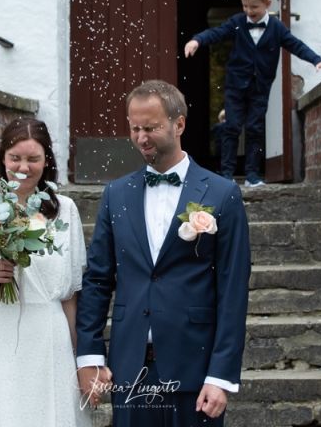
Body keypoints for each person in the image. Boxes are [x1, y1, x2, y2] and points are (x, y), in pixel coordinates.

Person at [76, 80, 251, 426]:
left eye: (151, 128)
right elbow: (97, 280)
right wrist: (90, 356)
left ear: (179, 124)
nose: (141, 138)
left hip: (195, 367)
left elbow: (233, 291)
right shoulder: (115, 194)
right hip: (130, 367)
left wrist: (221, 375)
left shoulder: (222, 194)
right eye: (135, 128)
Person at [0, 118, 91, 427]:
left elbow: (70, 297)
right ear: (2, 158)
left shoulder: (65, 210)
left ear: (47, 161)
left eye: (33, 159)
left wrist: (77, 357)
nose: (23, 167)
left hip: (49, 337)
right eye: (15, 157)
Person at [184, 0, 321, 187]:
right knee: (232, 127)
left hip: (260, 88)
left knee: (255, 128)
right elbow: (216, 33)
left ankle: (252, 175)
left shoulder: (277, 28)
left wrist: (317, 61)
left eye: (253, 7)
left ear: (267, 3)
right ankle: (226, 174)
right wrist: (197, 40)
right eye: (245, 6)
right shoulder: (237, 23)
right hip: (235, 86)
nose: (248, 11)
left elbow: (296, 45)